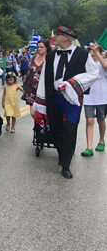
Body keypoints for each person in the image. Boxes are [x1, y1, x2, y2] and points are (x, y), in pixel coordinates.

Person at [33, 25, 98, 179]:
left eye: (58, 34)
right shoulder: (50, 56)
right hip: (53, 96)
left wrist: (73, 83)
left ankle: (66, 165)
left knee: (70, 128)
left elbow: (93, 73)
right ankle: (62, 154)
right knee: (55, 129)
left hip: (72, 98)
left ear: (66, 37)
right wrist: (41, 100)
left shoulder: (83, 54)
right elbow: (44, 78)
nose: (54, 37)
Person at [81, 43, 107, 156]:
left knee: (100, 119)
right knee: (89, 120)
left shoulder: (103, 64)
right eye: (91, 52)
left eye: (95, 53)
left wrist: (97, 51)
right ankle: (89, 147)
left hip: (102, 96)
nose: (93, 55)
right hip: (88, 97)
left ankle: (101, 140)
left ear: (101, 54)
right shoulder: (87, 65)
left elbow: (105, 67)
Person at [26, 39, 52, 118]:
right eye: (38, 47)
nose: (39, 49)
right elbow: (30, 70)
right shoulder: (33, 57)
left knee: (43, 112)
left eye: (41, 47)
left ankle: (42, 128)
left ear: (47, 48)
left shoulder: (49, 58)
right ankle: (38, 126)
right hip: (32, 89)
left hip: (43, 89)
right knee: (33, 113)